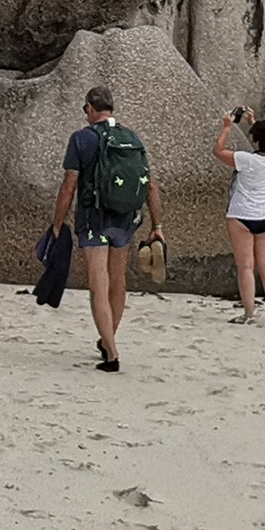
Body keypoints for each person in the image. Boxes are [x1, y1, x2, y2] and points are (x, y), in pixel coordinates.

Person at [53, 86, 162, 372]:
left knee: (98, 282)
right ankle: (107, 339)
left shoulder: (81, 139)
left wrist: (57, 222)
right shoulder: (132, 138)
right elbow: (150, 184)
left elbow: (68, 186)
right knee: (118, 280)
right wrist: (157, 225)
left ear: (90, 108)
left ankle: (111, 353)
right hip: (124, 218)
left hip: (94, 218)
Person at [213, 108, 265, 326]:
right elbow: (264, 142)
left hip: (242, 216)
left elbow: (218, 151)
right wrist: (252, 122)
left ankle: (249, 313)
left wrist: (227, 127)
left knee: (246, 266)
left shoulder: (245, 159)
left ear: (253, 140)